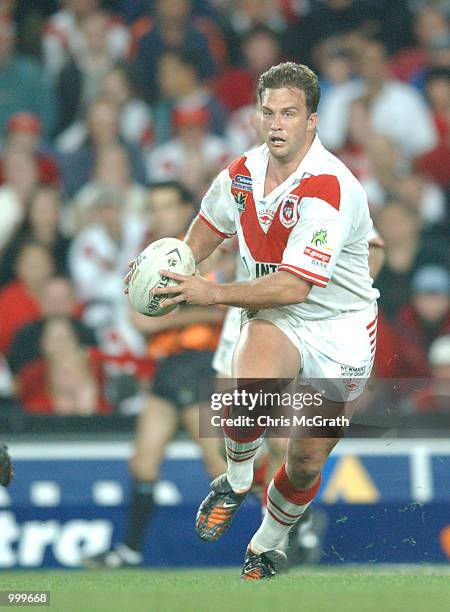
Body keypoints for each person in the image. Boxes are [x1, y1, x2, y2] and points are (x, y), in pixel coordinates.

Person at [125, 62, 380, 580]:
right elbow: (207, 228)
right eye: (268, 112)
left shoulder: (330, 186)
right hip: (276, 314)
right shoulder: (240, 174)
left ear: (313, 120)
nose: (277, 123)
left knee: (306, 461)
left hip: (342, 329)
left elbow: (296, 285)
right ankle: (236, 482)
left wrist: (209, 292)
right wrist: (173, 269)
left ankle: (267, 544)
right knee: (249, 393)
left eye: (290, 113)